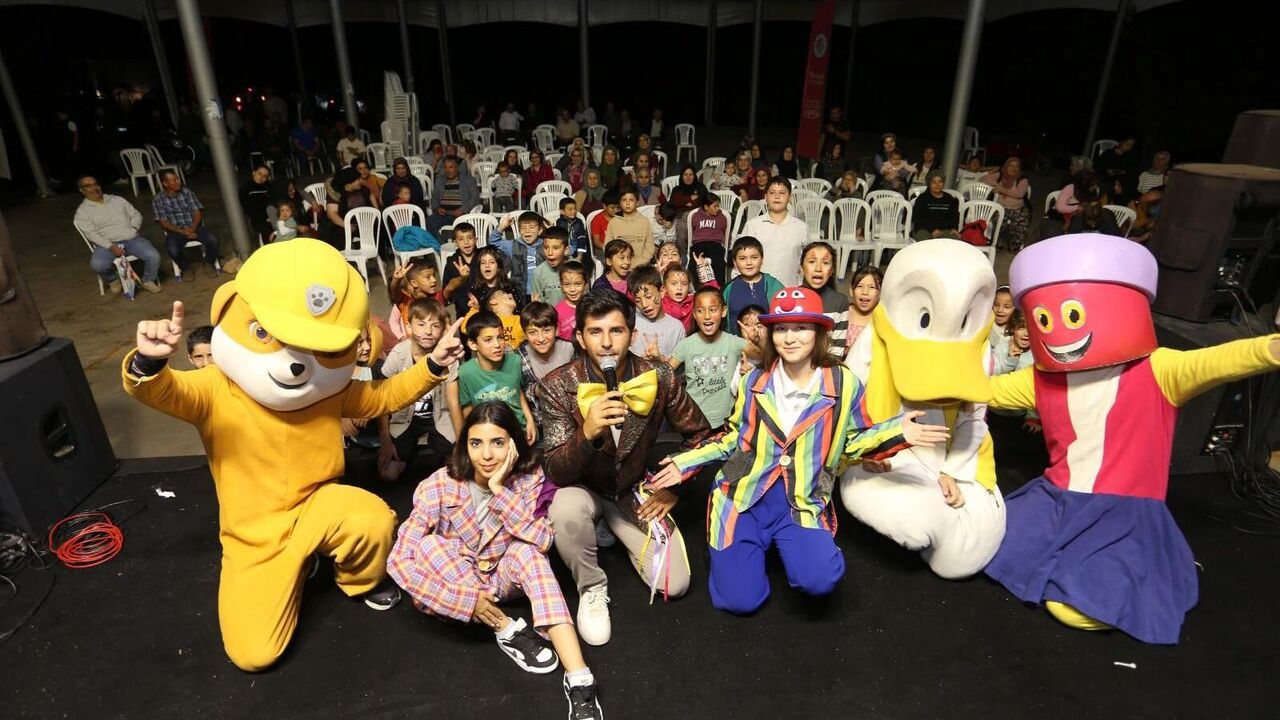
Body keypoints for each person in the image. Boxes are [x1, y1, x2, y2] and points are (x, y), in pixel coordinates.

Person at [124, 241, 468, 672]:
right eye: (266, 334)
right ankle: (298, 566)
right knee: (255, 655)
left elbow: (384, 395)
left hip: (318, 505)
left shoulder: (329, 391)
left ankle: (357, 581)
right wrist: (148, 364)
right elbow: (163, 390)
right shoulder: (214, 388)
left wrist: (433, 365)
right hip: (257, 531)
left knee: (374, 522)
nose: (297, 364)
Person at [984, 233, 1280, 644]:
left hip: (1123, 510)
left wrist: (1271, 348)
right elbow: (985, 391)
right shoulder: (1042, 378)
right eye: (1045, 320)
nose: (1060, 331)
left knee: (1083, 600)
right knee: (985, 544)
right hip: (1057, 497)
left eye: (1073, 315)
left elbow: (1220, 360)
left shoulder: (1159, 369)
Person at [649, 287, 948, 615]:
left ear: (818, 332)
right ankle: (746, 550)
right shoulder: (753, 382)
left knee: (819, 579)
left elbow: (851, 441)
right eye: (781, 329)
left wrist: (897, 432)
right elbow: (733, 438)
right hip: (743, 496)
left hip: (802, 499)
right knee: (740, 600)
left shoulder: (844, 384)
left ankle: (794, 547)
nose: (790, 338)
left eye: (801, 327)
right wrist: (685, 462)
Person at [386, 401, 604, 719]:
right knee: (429, 545)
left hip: (503, 575)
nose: (487, 455)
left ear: (513, 443)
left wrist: (499, 490)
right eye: (476, 443)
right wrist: (463, 601)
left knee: (528, 552)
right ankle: (506, 628)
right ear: (465, 445)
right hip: (460, 581)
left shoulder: (528, 479)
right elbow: (398, 559)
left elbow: (543, 540)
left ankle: (580, 679)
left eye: (498, 443)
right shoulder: (439, 485)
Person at [535, 289, 714, 645]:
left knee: (675, 584)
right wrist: (587, 433)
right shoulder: (556, 385)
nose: (606, 343)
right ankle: (591, 587)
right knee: (565, 509)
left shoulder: (659, 376)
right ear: (580, 337)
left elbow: (703, 437)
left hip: (631, 489)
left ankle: (611, 526)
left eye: (616, 331)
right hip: (582, 487)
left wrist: (674, 486)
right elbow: (556, 470)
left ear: (632, 335)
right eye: (595, 332)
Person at [377, 298, 458, 482]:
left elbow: (454, 402)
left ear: (442, 329)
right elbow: (382, 397)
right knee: (388, 473)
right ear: (408, 326)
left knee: (458, 471)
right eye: (421, 324)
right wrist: (385, 438)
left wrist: (461, 441)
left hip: (439, 417)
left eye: (435, 326)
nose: (428, 331)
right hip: (405, 418)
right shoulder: (399, 354)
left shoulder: (448, 355)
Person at [668, 287, 755, 428]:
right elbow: (666, 373)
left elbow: (763, 355)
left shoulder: (733, 342)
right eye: (700, 311)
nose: (707, 316)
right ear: (694, 314)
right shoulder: (686, 345)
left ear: (723, 311)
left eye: (713, 310)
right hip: (695, 422)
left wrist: (756, 340)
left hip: (727, 421)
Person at [456, 311, 537, 444]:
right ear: (473, 344)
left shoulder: (515, 361)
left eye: (500, 337)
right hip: (488, 436)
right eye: (488, 340)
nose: (497, 345)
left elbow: (518, 391)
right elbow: (467, 409)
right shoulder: (466, 372)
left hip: (519, 431)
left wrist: (530, 421)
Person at [74, 175, 163, 294]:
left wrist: (134, 228)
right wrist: (110, 246)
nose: (94, 188)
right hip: (107, 243)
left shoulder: (117, 200)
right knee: (97, 265)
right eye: (88, 186)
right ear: (81, 190)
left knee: (153, 256)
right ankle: (113, 279)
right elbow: (91, 234)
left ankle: (148, 280)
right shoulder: (82, 212)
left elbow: (136, 215)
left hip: (131, 238)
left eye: (95, 184)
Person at [152, 170, 220, 280]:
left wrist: (192, 228)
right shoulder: (158, 200)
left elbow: (197, 212)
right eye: (174, 180)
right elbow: (163, 222)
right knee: (172, 249)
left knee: (213, 240)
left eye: (177, 179)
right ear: (165, 183)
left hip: (194, 226)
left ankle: (208, 263)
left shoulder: (187, 193)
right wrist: (182, 231)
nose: (178, 182)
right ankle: (186, 268)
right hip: (175, 231)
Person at [741, 177, 806, 287]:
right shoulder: (752, 226)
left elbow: (806, 263)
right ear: (766, 197)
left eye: (782, 193)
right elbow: (741, 258)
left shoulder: (801, 227)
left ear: (789, 197)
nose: (777, 196)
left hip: (790, 289)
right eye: (772, 193)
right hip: (758, 289)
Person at [722, 236, 783, 332]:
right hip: (736, 341)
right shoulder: (728, 289)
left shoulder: (774, 285)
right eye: (742, 258)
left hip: (767, 340)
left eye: (754, 257)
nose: (749, 263)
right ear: (735, 262)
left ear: (762, 259)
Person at [799, 242, 849, 358]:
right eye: (812, 262)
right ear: (801, 268)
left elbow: (837, 350)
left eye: (825, 263)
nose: (818, 268)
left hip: (826, 365)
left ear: (831, 271)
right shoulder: (791, 298)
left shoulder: (840, 301)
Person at [628, 266, 686, 363]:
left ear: (662, 292)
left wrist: (660, 359)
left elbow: (680, 367)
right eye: (638, 300)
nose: (644, 305)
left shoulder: (676, 328)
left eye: (648, 297)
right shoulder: (630, 324)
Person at [982, 157, 1032, 250]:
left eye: (1016, 166)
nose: (1013, 168)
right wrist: (997, 185)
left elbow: (1019, 194)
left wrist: (1002, 189)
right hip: (1000, 208)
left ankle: (1015, 247)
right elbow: (984, 178)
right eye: (1011, 166)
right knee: (998, 224)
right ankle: (999, 245)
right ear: (1006, 166)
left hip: (1018, 209)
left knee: (1020, 226)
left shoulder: (1022, 179)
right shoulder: (1001, 175)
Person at [428, 157, 480, 235]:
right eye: (445, 168)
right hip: (444, 214)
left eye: (450, 167)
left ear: (457, 167)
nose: (448, 170)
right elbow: (434, 198)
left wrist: (462, 210)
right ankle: (438, 242)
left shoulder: (468, 180)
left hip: (461, 214)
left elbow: (474, 198)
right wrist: (437, 208)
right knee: (429, 222)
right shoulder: (440, 180)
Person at [606, 188, 654, 267]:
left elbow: (650, 247)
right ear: (620, 203)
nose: (627, 203)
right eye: (624, 200)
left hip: (640, 266)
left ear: (637, 202)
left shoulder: (644, 221)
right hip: (619, 266)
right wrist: (619, 263)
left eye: (631, 200)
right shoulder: (614, 222)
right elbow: (608, 246)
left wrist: (639, 263)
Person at [688, 195, 730, 285]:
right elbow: (693, 228)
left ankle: (719, 288)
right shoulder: (696, 216)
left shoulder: (722, 217)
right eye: (715, 206)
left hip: (715, 244)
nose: (717, 208)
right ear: (706, 207)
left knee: (718, 263)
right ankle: (696, 288)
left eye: (718, 206)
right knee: (694, 263)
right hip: (699, 244)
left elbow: (723, 229)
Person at [442, 222, 481, 317]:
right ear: (455, 242)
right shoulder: (452, 263)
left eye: (470, 238)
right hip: (463, 310)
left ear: (476, 240)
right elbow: (446, 293)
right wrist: (461, 278)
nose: (466, 242)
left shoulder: (483, 257)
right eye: (461, 239)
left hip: (484, 307)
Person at [911, 170, 960, 240]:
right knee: (925, 241)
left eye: (940, 181)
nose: (937, 185)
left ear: (943, 183)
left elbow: (954, 216)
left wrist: (954, 228)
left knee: (954, 240)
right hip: (925, 229)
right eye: (934, 182)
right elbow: (917, 218)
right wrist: (932, 230)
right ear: (929, 184)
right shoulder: (922, 198)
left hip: (944, 231)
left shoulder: (949, 198)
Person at [240, 164, 277, 245]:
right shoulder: (246, 188)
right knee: (267, 232)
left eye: (265, 176)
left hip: (272, 214)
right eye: (259, 174)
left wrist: (272, 216)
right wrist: (266, 218)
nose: (261, 177)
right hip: (258, 219)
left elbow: (274, 202)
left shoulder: (269, 187)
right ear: (254, 173)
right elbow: (247, 208)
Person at [532, 227, 570, 305]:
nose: (550, 253)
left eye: (555, 248)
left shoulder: (576, 268)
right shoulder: (538, 273)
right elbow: (536, 305)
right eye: (546, 248)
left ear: (566, 250)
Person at [554, 260, 588, 341]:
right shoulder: (556, 312)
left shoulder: (591, 306)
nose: (572, 289)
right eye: (567, 284)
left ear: (585, 285)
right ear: (561, 286)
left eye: (578, 284)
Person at [846, 266, 881, 345]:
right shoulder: (843, 313)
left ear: (880, 293)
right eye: (859, 286)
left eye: (872, 287)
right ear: (851, 291)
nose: (865, 292)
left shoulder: (882, 317)